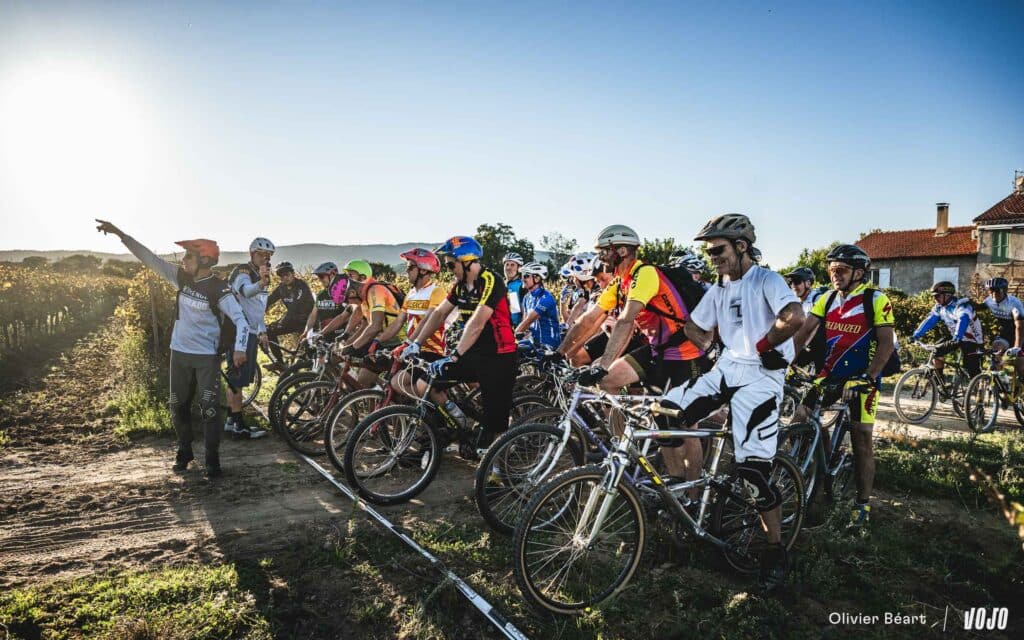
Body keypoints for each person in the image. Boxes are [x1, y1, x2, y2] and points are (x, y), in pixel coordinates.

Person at [661, 213, 805, 590]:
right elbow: (692, 325)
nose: (713, 258)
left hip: (761, 379)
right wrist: (711, 349)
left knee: (753, 475)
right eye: (709, 252)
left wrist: (764, 345)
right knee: (666, 415)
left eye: (718, 250)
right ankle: (685, 501)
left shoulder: (766, 280)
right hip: (725, 371)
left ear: (741, 246)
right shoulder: (720, 287)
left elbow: (795, 316)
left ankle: (775, 551)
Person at [95, 220, 249, 478]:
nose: (183, 260)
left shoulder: (218, 288)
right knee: (177, 406)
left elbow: (241, 320)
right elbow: (148, 258)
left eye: (189, 255)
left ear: (204, 260)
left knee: (210, 410)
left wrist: (240, 349)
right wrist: (121, 234)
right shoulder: (181, 278)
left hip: (206, 359)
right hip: (179, 355)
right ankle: (185, 451)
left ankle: (212, 460)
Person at [791, 244, 895, 530]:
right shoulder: (826, 298)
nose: (835, 274)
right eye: (832, 269)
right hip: (828, 374)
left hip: (862, 377)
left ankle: (862, 506)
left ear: (859, 273)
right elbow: (803, 333)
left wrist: (870, 376)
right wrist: (787, 361)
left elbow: (886, 343)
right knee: (801, 418)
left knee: (861, 438)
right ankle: (824, 460)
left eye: (842, 270)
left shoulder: (875, 299)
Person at [404, 235, 517, 454]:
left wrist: (454, 356)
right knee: (427, 383)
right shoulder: (460, 286)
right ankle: (461, 423)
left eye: (450, 264)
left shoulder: (491, 281)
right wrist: (416, 343)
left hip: (499, 356)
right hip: (473, 352)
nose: (448, 270)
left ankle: (500, 471)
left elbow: (476, 323)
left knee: (495, 424)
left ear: (466, 261)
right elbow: (439, 314)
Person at [224, 237, 276, 438]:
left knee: (240, 378)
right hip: (240, 333)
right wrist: (262, 282)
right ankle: (238, 425)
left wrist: (262, 329)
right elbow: (246, 292)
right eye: (262, 254)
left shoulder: (262, 274)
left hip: (253, 331)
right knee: (236, 379)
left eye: (269, 255)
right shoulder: (243, 272)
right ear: (251, 253)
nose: (265, 258)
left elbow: (258, 307)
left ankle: (231, 420)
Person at [339, 259, 405, 388]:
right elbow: (364, 325)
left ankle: (387, 400)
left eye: (351, 275)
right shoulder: (364, 295)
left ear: (363, 276)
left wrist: (353, 347)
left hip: (397, 340)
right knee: (364, 380)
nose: (348, 280)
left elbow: (375, 326)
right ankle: (376, 401)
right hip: (383, 340)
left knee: (367, 380)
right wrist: (348, 341)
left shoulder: (375, 290)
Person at [911, 281, 984, 379]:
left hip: (971, 339)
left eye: (937, 296)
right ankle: (939, 382)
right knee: (936, 350)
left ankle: (976, 389)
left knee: (972, 369)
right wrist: (916, 335)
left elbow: (963, 319)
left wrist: (957, 337)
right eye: (934, 297)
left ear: (948, 295)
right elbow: (930, 321)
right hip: (955, 336)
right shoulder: (939, 307)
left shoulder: (961, 305)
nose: (935, 299)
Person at [264, 261, 314, 371]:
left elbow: (294, 308)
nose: (284, 278)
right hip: (293, 320)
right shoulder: (281, 288)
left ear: (293, 274)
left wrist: (281, 322)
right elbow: (268, 301)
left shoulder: (301, 286)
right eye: (281, 276)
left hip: (307, 321)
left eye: (287, 275)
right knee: (269, 331)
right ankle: (280, 363)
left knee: (310, 352)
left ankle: (315, 374)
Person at [785, 267, 827, 371]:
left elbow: (815, 326)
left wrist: (801, 347)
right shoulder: (796, 302)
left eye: (797, 282)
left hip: (819, 346)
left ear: (808, 283)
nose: (793, 286)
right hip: (804, 344)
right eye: (791, 282)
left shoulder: (817, 299)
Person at [982, 277, 1024, 378]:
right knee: (996, 352)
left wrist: (1017, 347)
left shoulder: (1014, 303)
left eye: (996, 291)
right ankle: (999, 382)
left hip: (1021, 331)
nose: (993, 294)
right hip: (1007, 331)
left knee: (1020, 363)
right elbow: (979, 309)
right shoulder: (988, 301)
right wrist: (968, 303)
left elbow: (1019, 326)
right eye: (990, 291)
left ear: (1004, 291)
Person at [514, 262, 561, 350]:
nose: (522, 279)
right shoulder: (527, 297)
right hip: (534, 342)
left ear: (537, 278)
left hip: (549, 344)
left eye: (526, 276)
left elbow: (529, 320)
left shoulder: (546, 298)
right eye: (522, 276)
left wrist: (512, 337)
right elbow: (525, 323)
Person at [301, 262, 351, 341]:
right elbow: (313, 315)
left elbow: (348, 316)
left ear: (333, 275)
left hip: (340, 336)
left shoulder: (344, 294)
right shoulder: (321, 295)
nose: (320, 280)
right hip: (324, 336)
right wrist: (306, 331)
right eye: (318, 277)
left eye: (321, 276)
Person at [503, 252, 526, 328]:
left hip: (515, 328)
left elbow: (524, 312)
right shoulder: (501, 284)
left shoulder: (521, 286)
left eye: (512, 265)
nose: (508, 268)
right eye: (507, 264)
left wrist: (521, 330)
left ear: (519, 268)